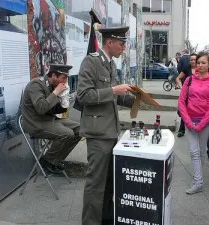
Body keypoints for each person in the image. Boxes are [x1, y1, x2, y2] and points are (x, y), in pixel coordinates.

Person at [76, 26, 136, 225]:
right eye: (121, 43)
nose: (124, 48)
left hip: (110, 131)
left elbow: (114, 97)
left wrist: (136, 99)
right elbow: (83, 96)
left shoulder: (109, 64)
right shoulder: (91, 62)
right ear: (109, 42)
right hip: (97, 133)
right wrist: (113, 90)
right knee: (96, 184)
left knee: (110, 181)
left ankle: (106, 219)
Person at [21, 64, 81, 174]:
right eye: (63, 78)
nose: (65, 81)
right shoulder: (35, 85)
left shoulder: (52, 86)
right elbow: (41, 108)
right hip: (36, 123)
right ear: (54, 75)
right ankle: (47, 160)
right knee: (67, 134)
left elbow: (55, 110)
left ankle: (55, 160)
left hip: (49, 120)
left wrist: (64, 101)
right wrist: (56, 93)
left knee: (79, 130)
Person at [178, 51, 209, 194]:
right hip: (190, 120)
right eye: (198, 62)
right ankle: (198, 182)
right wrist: (188, 122)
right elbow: (181, 102)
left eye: (203, 63)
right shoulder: (189, 80)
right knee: (194, 152)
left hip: (205, 123)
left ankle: (198, 179)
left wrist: (202, 124)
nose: (200, 65)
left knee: (201, 151)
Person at [176, 53, 197, 137]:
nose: (192, 61)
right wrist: (181, 87)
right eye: (191, 60)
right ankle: (181, 130)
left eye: (194, 59)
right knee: (184, 111)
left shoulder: (200, 68)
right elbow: (178, 78)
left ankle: (195, 128)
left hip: (197, 95)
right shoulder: (187, 68)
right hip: (187, 94)